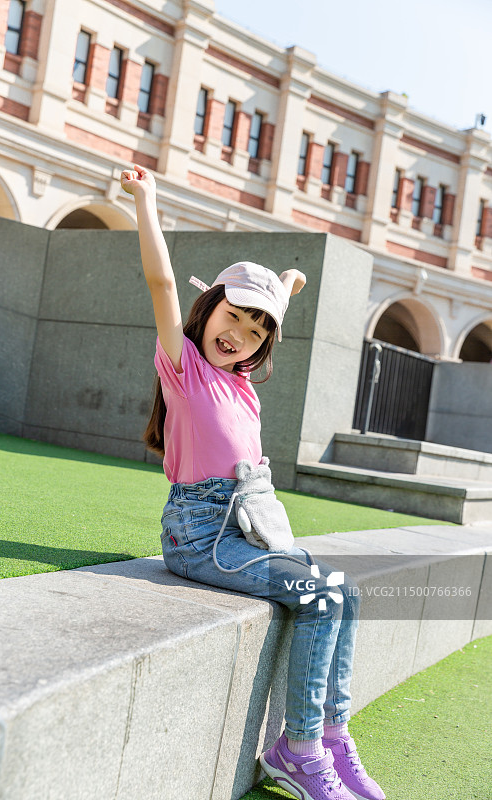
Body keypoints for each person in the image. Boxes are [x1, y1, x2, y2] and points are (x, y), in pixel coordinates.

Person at [121, 163, 385, 800]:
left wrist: (286, 287)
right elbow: (159, 279)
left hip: (245, 527)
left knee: (342, 591)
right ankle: (296, 750)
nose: (240, 337)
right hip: (202, 536)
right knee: (319, 597)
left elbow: (270, 310)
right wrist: (145, 200)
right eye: (233, 318)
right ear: (208, 308)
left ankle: (330, 736)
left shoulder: (241, 387)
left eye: (257, 331)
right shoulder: (183, 366)